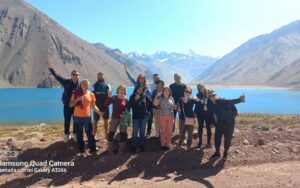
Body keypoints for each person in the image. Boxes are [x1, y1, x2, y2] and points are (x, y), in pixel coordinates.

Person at [47, 60, 79, 143]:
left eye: (77, 74)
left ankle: (75, 134)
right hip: (67, 105)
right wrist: (51, 68)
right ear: (71, 75)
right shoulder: (66, 82)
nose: (75, 76)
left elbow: (85, 93)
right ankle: (66, 135)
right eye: (74, 74)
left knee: (76, 120)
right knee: (67, 120)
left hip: (76, 106)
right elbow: (57, 76)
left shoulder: (80, 85)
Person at [208, 90, 246, 160]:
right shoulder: (211, 104)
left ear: (216, 95)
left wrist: (240, 99)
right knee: (217, 138)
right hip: (220, 123)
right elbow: (213, 114)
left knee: (227, 139)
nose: (212, 97)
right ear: (208, 97)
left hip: (229, 123)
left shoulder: (221, 101)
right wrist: (212, 123)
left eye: (213, 95)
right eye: (210, 96)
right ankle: (217, 153)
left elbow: (231, 102)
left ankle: (225, 153)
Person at [70, 79, 102, 157]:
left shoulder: (91, 94)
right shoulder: (75, 93)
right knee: (79, 135)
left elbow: (94, 107)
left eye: (87, 84)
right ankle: (82, 151)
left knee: (90, 134)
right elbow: (70, 105)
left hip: (87, 117)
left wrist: (99, 112)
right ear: (81, 85)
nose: (86, 86)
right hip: (77, 117)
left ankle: (93, 150)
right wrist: (77, 99)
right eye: (84, 84)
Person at [104, 85, 130, 155]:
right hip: (114, 118)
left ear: (125, 91)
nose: (121, 91)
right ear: (117, 90)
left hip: (123, 119)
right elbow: (106, 104)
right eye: (120, 89)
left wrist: (125, 115)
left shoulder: (126, 100)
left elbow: (128, 110)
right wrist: (109, 97)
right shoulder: (114, 98)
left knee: (123, 134)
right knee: (110, 135)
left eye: (123, 89)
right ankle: (111, 149)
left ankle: (120, 150)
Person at [129, 86, 152, 153]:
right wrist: (135, 100)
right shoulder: (132, 96)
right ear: (136, 90)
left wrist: (148, 111)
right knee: (135, 132)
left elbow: (150, 103)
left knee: (142, 132)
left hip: (144, 117)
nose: (140, 91)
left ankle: (141, 145)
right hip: (136, 117)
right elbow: (130, 105)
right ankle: (133, 145)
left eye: (142, 90)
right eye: (139, 89)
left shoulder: (145, 96)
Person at [92, 72, 111, 139]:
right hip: (96, 105)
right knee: (95, 121)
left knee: (106, 120)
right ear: (97, 77)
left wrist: (98, 94)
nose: (101, 77)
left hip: (105, 106)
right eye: (99, 76)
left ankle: (106, 134)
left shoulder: (108, 86)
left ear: (104, 77)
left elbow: (109, 95)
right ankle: (94, 134)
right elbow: (93, 94)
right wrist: (104, 94)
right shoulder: (94, 85)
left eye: (102, 76)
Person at [194, 84, 212, 148]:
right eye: (199, 88)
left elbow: (213, 101)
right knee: (200, 127)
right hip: (200, 113)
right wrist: (195, 112)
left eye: (201, 87)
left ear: (204, 86)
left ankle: (209, 142)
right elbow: (197, 104)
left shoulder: (210, 92)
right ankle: (200, 142)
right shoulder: (198, 95)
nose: (201, 89)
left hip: (208, 113)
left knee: (208, 127)